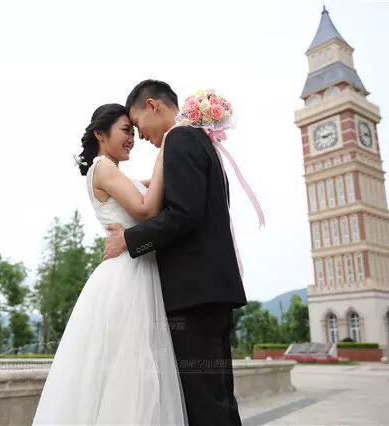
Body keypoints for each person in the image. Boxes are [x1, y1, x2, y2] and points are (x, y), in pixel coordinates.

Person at [32, 103, 188, 425]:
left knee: (137, 369)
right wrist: (164, 151)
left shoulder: (113, 172)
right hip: (127, 277)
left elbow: (147, 195)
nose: (132, 138)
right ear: (100, 134)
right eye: (125, 131)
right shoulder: (103, 167)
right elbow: (145, 209)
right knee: (130, 370)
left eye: (133, 131)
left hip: (138, 271)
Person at [104, 80, 247, 426]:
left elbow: (184, 216)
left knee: (204, 406)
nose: (140, 135)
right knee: (219, 400)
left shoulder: (180, 140)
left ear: (152, 106)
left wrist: (130, 240)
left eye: (137, 123)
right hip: (212, 292)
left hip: (193, 297)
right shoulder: (198, 141)